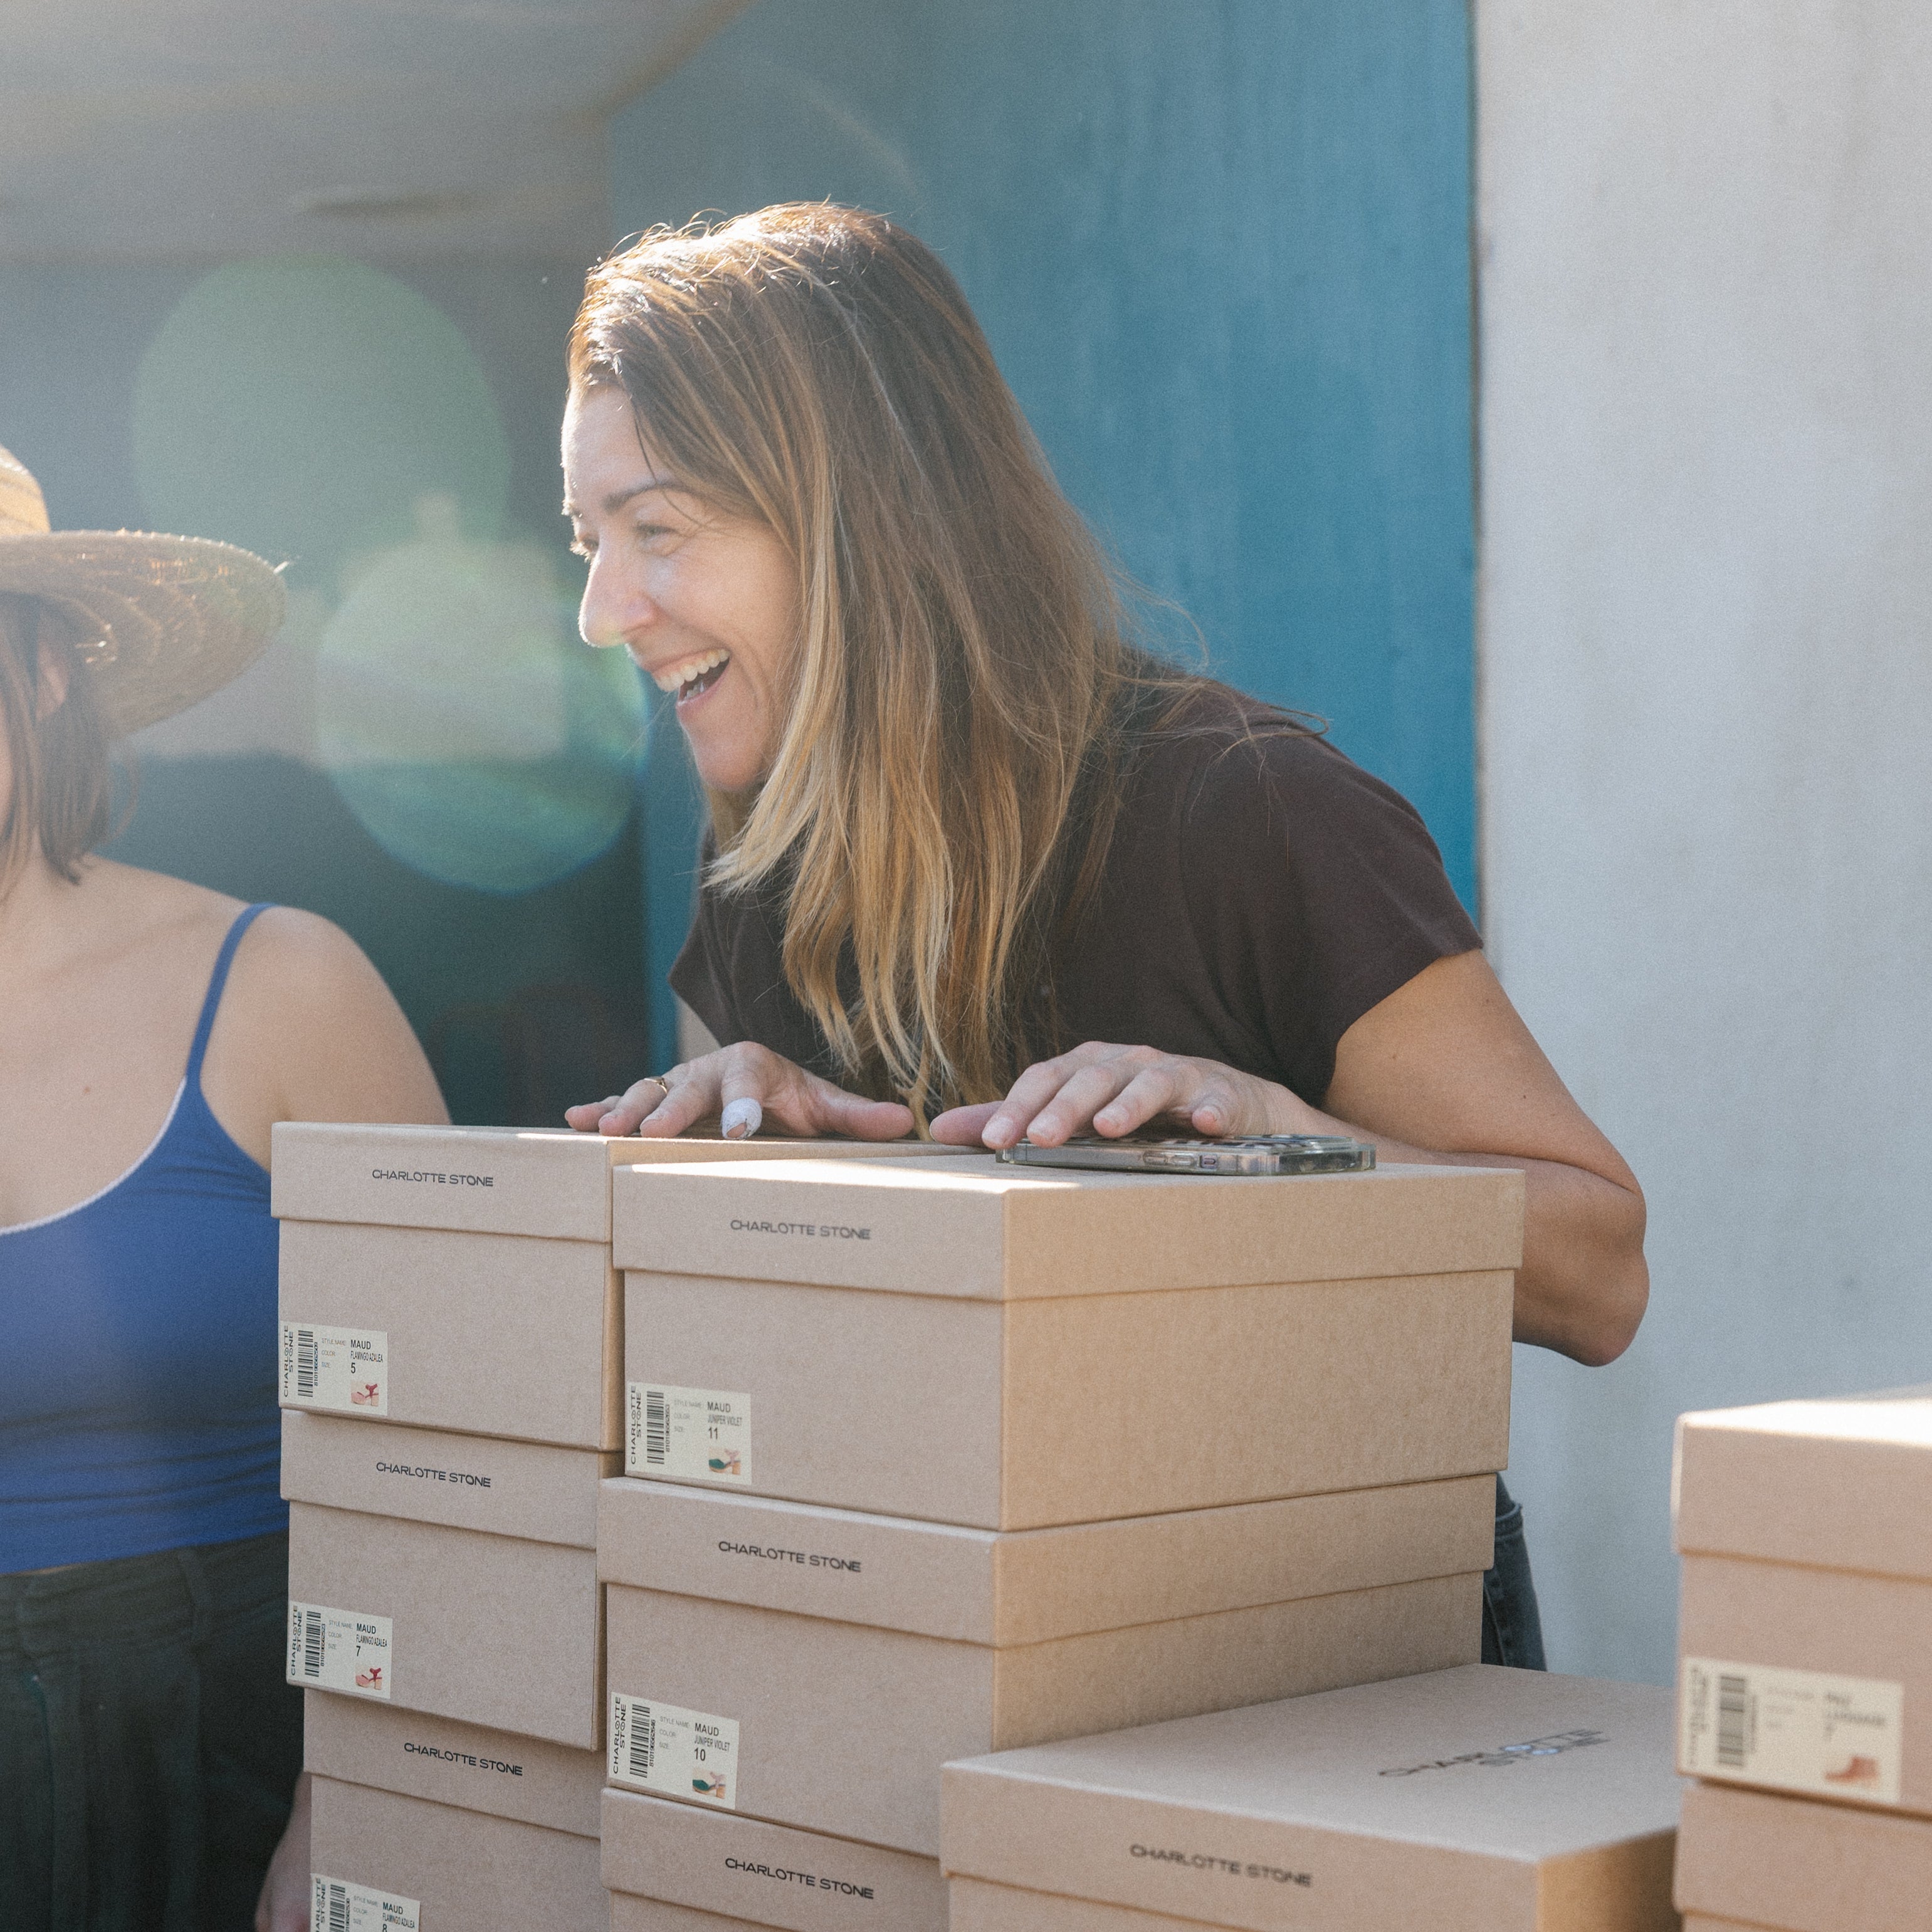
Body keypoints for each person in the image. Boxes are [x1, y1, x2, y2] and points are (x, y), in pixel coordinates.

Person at [560, 205, 1649, 1667]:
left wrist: (1269, 1144)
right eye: (587, 540)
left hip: (1320, 1636)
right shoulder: (755, 864)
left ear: (859, 511)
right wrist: (780, 1159)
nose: (599, 608)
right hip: (974, 1618)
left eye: (656, 529)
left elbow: (1599, 1276)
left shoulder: (1245, 808)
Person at [0, 444, 448, 1931]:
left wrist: (356, 1808)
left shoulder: (277, 984)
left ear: (47, 672)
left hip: (218, 1788)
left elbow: (470, 1449)